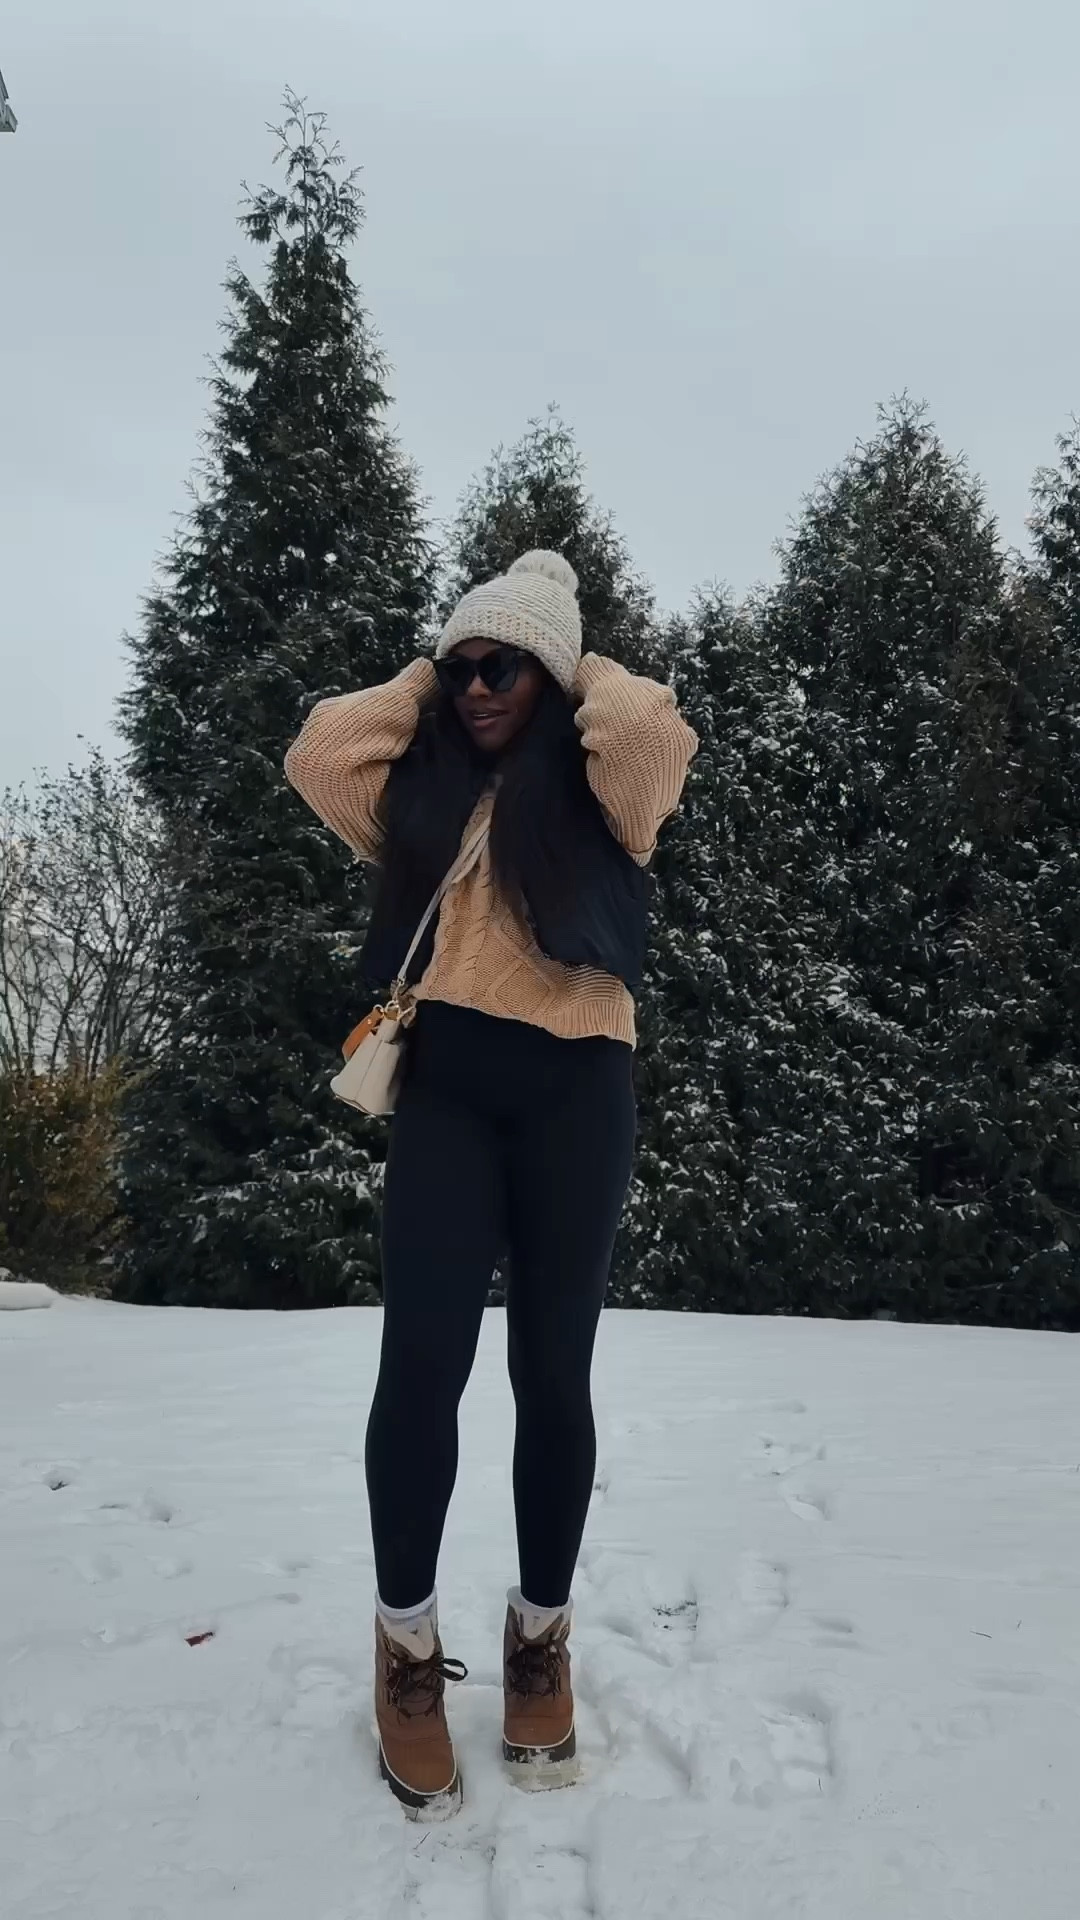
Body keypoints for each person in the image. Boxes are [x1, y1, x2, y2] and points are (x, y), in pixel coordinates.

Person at [285, 550, 696, 1819]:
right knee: (420, 1365)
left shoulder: (604, 791)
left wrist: (563, 665)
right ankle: (406, 1655)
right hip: (451, 1098)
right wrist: (433, 663)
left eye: (497, 667)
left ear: (551, 674)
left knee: (551, 1373)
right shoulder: (416, 798)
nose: (473, 686)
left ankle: (539, 1644)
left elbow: (650, 728)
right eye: (461, 665)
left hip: (580, 1096)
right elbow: (318, 753)